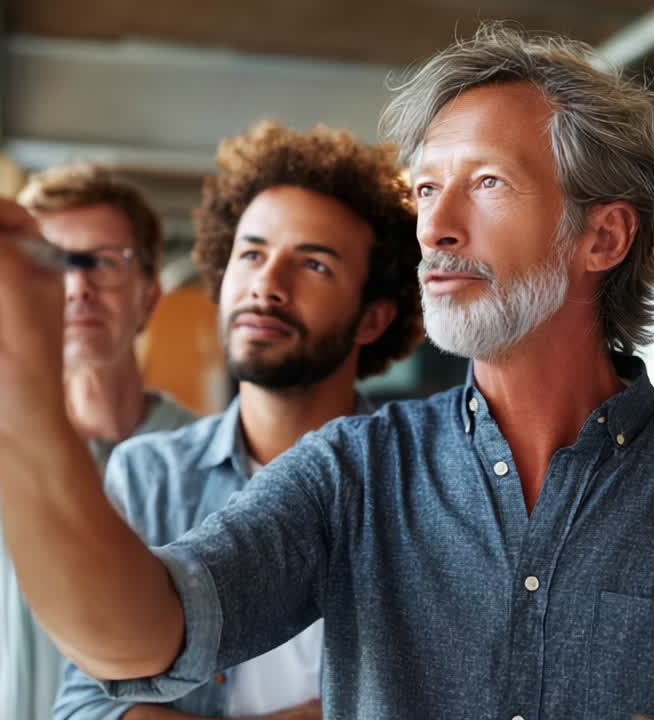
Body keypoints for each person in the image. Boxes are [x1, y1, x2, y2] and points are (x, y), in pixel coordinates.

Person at [0, 23, 654, 719]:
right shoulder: (355, 473)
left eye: (486, 183)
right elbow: (145, 635)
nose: (437, 225)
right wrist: (23, 434)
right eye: (426, 189)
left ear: (602, 236)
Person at [53, 120, 422, 719]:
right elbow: (84, 709)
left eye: (314, 265)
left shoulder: (421, 488)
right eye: (251, 254)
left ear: (374, 319)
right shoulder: (151, 475)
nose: (266, 286)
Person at [0, 164, 196, 720]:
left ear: (149, 296)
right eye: (48, 264)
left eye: (102, 262)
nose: (77, 287)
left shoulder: (210, 461)